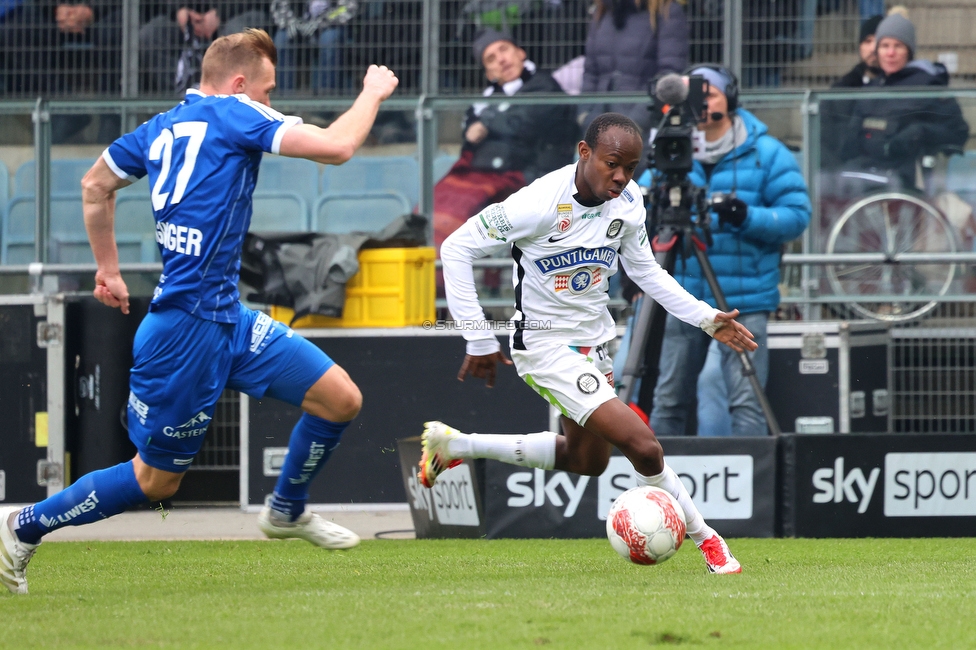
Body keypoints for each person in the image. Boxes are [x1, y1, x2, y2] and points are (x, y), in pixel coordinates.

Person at [0, 28, 399, 595]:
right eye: (267, 92)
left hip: (225, 317)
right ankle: (23, 525)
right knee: (155, 482)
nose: (269, 104)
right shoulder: (236, 113)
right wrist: (373, 93)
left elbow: (95, 185)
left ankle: (284, 510)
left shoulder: (158, 127)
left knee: (340, 398)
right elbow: (337, 147)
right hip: (186, 330)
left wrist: (109, 269)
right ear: (239, 85)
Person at [421, 112, 756, 574]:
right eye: (612, 164)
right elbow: (456, 248)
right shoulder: (537, 202)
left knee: (587, 460)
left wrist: (705, 318)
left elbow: (644, 272)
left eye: (631, 167)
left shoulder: (628, 200)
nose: (621, 177)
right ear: (585, 153)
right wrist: (477, 339)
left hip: (594, 344)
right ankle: (710, 542)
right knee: (644, 446)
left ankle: (456, 446)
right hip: (543, 345)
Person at [643, 65, 810, 437]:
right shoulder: (671, 148)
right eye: (691, 97)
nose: (699, 104)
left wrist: (747, 216)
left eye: (709, 93)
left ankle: (748, 486)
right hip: (683, 299)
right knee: (667, 401)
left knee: (745, 401)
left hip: (745, 300)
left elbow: (797, 216)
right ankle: (656, 490)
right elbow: (637, 203)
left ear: (730, 98)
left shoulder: (765, 152)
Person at [433, 29, 578, 259]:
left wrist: (487, 122)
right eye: (491, 59)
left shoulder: (544, 86)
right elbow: (469, 140)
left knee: (463, 211)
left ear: (520, 52)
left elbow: (523, 125)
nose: (501, 59)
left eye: (504, 50)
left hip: (528, 177)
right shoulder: (484, 100)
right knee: (433, 204)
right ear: (488, 73)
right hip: (482, 173)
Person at [835, 12, 969, 190]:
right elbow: (851, 140)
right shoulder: (872, 89)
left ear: (909, 51)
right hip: (866, 169)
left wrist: (919, 133)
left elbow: (957, 131)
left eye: (898, 46)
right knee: (826, 183)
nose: (890, 53)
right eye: (884, 46)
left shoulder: (928, 85)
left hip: (904, 177)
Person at [578, 0, 688, 135]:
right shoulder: (603, 10)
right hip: (597, 127)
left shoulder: (666, 10)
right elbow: (591, 72)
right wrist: (585, 115)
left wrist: (636, 123)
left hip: (642, 130)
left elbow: (669, 74)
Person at [140, 0, 270, 94]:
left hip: (231, 15)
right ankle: (181, 100)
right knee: (150, 35)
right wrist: (179, 9)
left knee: (237, 33)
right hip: (185, 18)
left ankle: (230, 99)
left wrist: (219, 14)